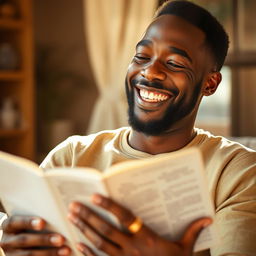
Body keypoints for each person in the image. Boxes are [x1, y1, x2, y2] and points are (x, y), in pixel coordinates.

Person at [1, 1, 256, 255]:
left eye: (175, 64)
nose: (150, 72)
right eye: (142, 57)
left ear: (210, 83)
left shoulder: (238, 173)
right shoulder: (71, 156)